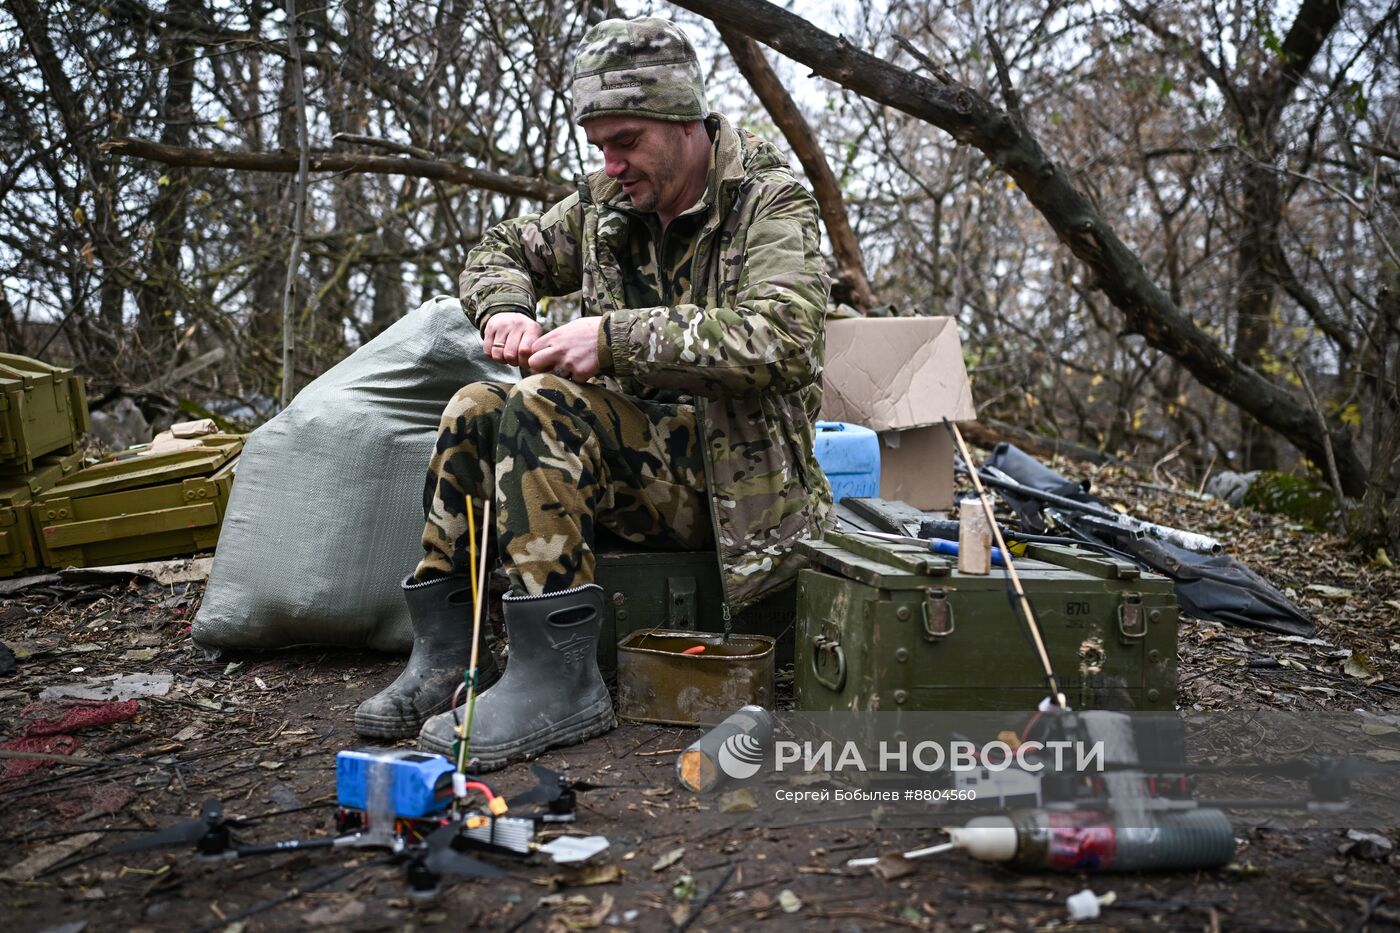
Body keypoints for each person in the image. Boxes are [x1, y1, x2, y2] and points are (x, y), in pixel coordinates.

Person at [354, 16, 832, 769]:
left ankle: (562, 683)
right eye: (600, 146)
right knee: (476, 407)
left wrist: (610, 338)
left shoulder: (768, 202)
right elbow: (498, 249)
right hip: (629, 473)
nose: (611, 164)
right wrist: (506, 305)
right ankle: (453, 658)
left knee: (543, 401)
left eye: (627, 141)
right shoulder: (608, 202)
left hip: (736, 489)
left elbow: (784, 337)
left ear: (684, 120)